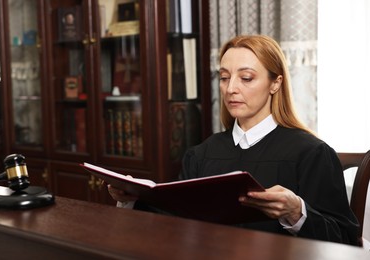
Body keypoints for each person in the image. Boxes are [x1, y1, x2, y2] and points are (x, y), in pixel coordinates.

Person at [108, 34, 360, 246]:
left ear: (275, 83)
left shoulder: (312, 153)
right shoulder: (202, 154)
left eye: (246, 78)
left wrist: (297, 213)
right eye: (224, 77)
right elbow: (174, 222)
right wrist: (133, 197)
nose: (230, 89)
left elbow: (346, 242)